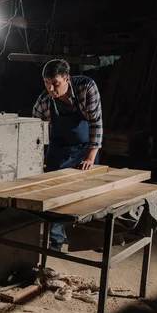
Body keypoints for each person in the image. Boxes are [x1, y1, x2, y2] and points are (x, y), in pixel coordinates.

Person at [32, 59, 103, 251]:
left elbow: (96, 123)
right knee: (56, 195)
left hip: (85, 147)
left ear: (67, 79)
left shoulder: (86, 88)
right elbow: (33, 129)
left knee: (89, 194)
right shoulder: (45, 101)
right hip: (60, 148)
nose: (51, 88)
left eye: (55, 83)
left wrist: (90, 157)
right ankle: (56, 239)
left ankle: (92, 237)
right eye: (47, 83)